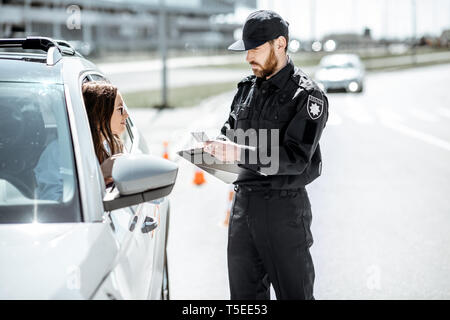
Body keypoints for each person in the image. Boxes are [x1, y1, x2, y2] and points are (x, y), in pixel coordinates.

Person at [203, 10, 329, 300]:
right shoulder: (246, 90)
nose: (248, 57)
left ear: (280, 44)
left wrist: (238, 152)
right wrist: (213, 148)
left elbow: (296, 158)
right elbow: (229, 132)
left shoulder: (307, 96)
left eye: (255, 49)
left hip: (283, 213)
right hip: (243, 208)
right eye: (247, 50)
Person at [82, 82, 129, 186]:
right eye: (120, 109)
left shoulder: (114, 145)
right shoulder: (62, 153)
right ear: (99, 115)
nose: (126, 114)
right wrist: (101, 174)